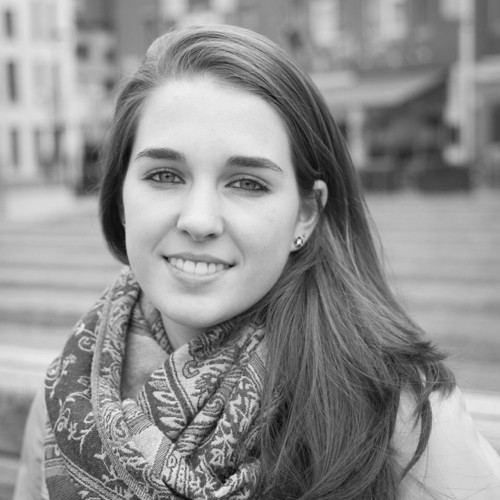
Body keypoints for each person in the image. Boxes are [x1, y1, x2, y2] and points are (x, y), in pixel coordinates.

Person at [14, 24, 500, 500]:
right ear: (121, 195)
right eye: (164, 175)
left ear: (305, 213)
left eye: (247, 183)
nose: (199, 220)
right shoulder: (68, 396)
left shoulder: (396, 409)